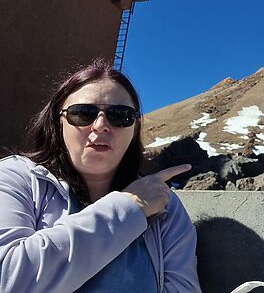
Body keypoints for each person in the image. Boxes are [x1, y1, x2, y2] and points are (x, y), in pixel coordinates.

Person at [0, 61, 201, 292]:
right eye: (83, 113)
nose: (101, 125)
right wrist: (128, 207)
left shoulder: (165, 204)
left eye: (120, 116)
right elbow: (7, 279)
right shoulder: (16, 179)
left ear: (134, 129)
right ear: (58, 122)